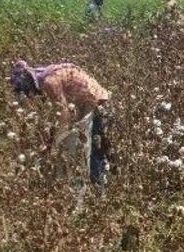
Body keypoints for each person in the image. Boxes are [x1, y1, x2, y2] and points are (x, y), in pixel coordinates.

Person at [9, 60, 111, 189]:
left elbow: (64, 115)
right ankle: (91, 185)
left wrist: (54, 143)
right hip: (83, 102)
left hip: (92, 101)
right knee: (82, 146)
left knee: (86, 149)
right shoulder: (44, 78)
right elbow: (57, 113)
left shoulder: (49, 83)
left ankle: (96, 189)